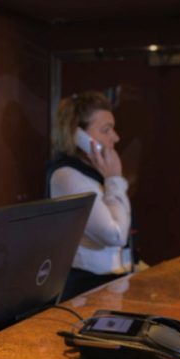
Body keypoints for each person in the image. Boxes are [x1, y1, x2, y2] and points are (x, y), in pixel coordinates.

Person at [46, 91, 132, 301]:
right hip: (87, 287)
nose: (116, 137)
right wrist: (114, 181)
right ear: (78, 136)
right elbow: (115, 235)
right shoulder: (67, 176)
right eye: (106, 130)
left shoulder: (95, 172)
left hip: (110, 283)